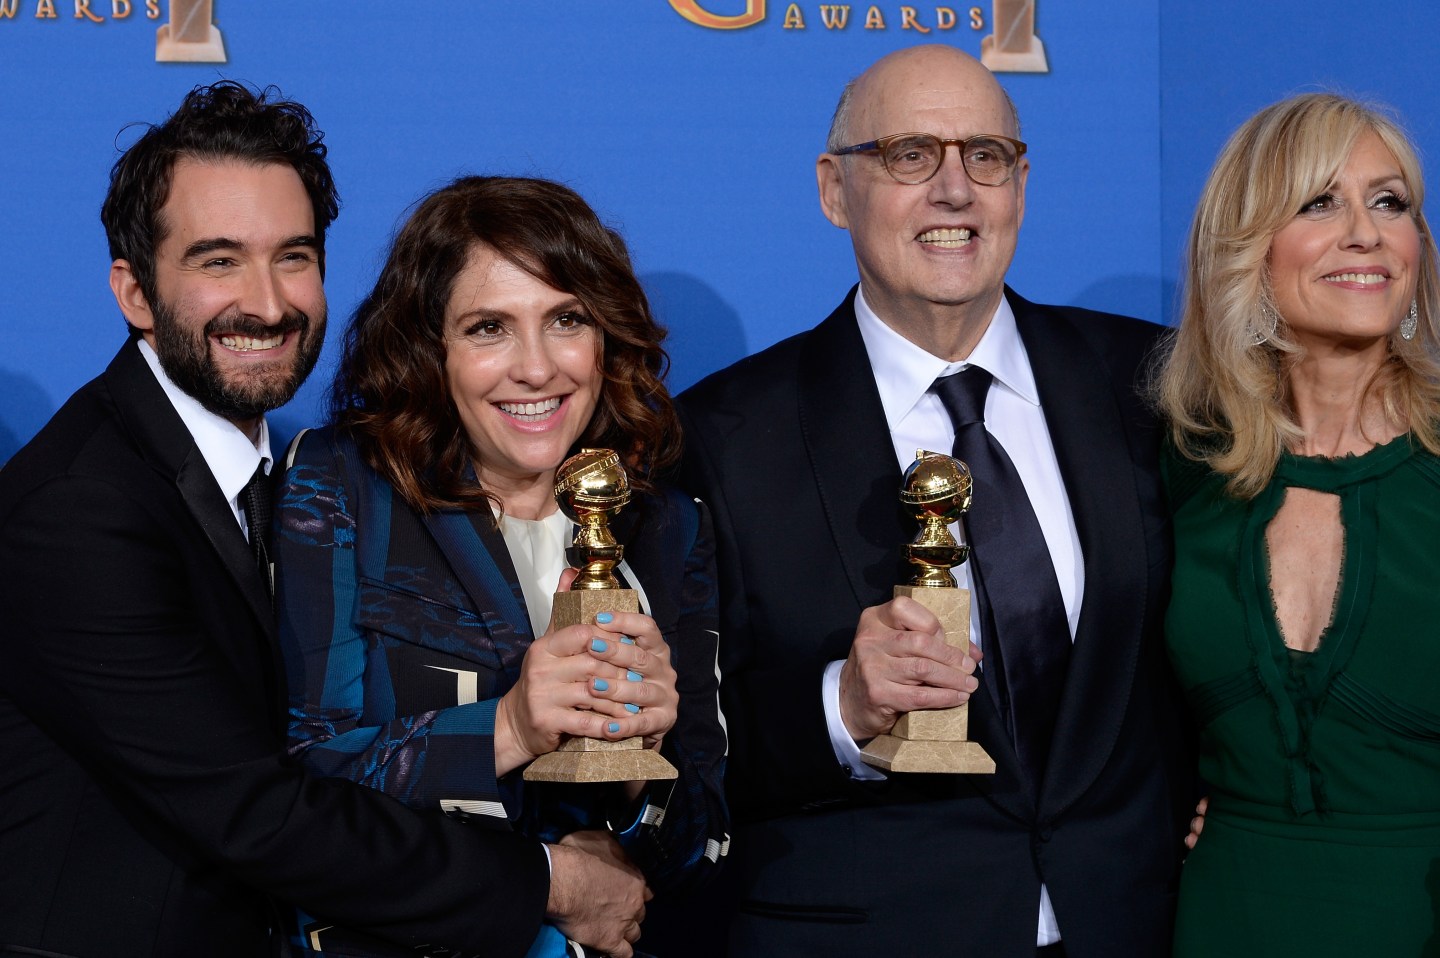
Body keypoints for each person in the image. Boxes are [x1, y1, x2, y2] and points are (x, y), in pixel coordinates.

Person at [0, 83, 644, 958]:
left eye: (293, 257)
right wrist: (551, 882)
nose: (268, 304)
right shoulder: (77, 512)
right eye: (218, 261)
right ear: (136, 291)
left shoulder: (287, 476)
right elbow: (258, 813)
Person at [674, 44, 1191, 957]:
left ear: (1020, 186)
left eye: (985, 156)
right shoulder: (722, 436)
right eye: (911, 154)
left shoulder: (1155, 387)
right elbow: (676, 744)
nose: (955, 190)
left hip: (1135, 923)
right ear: (835, 190)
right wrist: (843, 707)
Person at [272, 175, 728, 958]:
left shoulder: (663, 524)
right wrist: (510, 726)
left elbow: (702, 846)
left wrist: (633, 772)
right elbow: (300, 782)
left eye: (566, 320)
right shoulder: (346, 486)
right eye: (489, 328)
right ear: (429, 348)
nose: (537, 367)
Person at [1155, 92, 1440, 956]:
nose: (1366, 233)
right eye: (1320, 203)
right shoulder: (1182, 465)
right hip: (1219, 914)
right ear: (1248, 247)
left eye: (1390, 203)